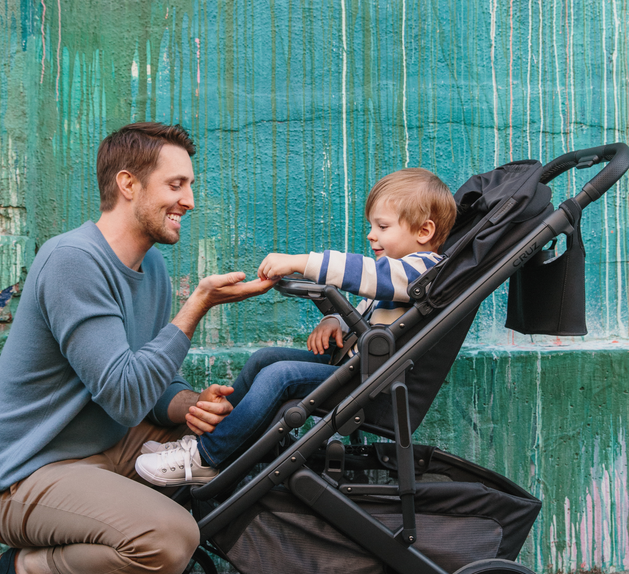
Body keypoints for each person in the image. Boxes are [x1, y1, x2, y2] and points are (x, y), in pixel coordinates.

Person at [0, 122, 276, 574]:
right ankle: (28, 572)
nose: (190, 200)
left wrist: (186, 407)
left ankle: (114, 566)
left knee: (226, 448)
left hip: (105, 450)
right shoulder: (72, 262)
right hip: (23, 475)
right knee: (170, 542)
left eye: (190, 185)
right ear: (129, 184)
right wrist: (196, 305)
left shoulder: (149, 266)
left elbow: (149, 386)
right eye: (176, 185)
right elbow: (125, 395)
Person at [135, 168, 456, 486]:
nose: (371, 235)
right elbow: (364, 309)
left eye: (382, 226)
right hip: (354, 369)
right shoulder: (402, 276)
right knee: (265, 358)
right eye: (371, 226)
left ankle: (205, 457)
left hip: (374, 386)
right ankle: (213, 439)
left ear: (424, 231)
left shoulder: (424, 272)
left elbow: (368, 275)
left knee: (280, 375)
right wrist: (333, 321)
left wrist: (303, 263)